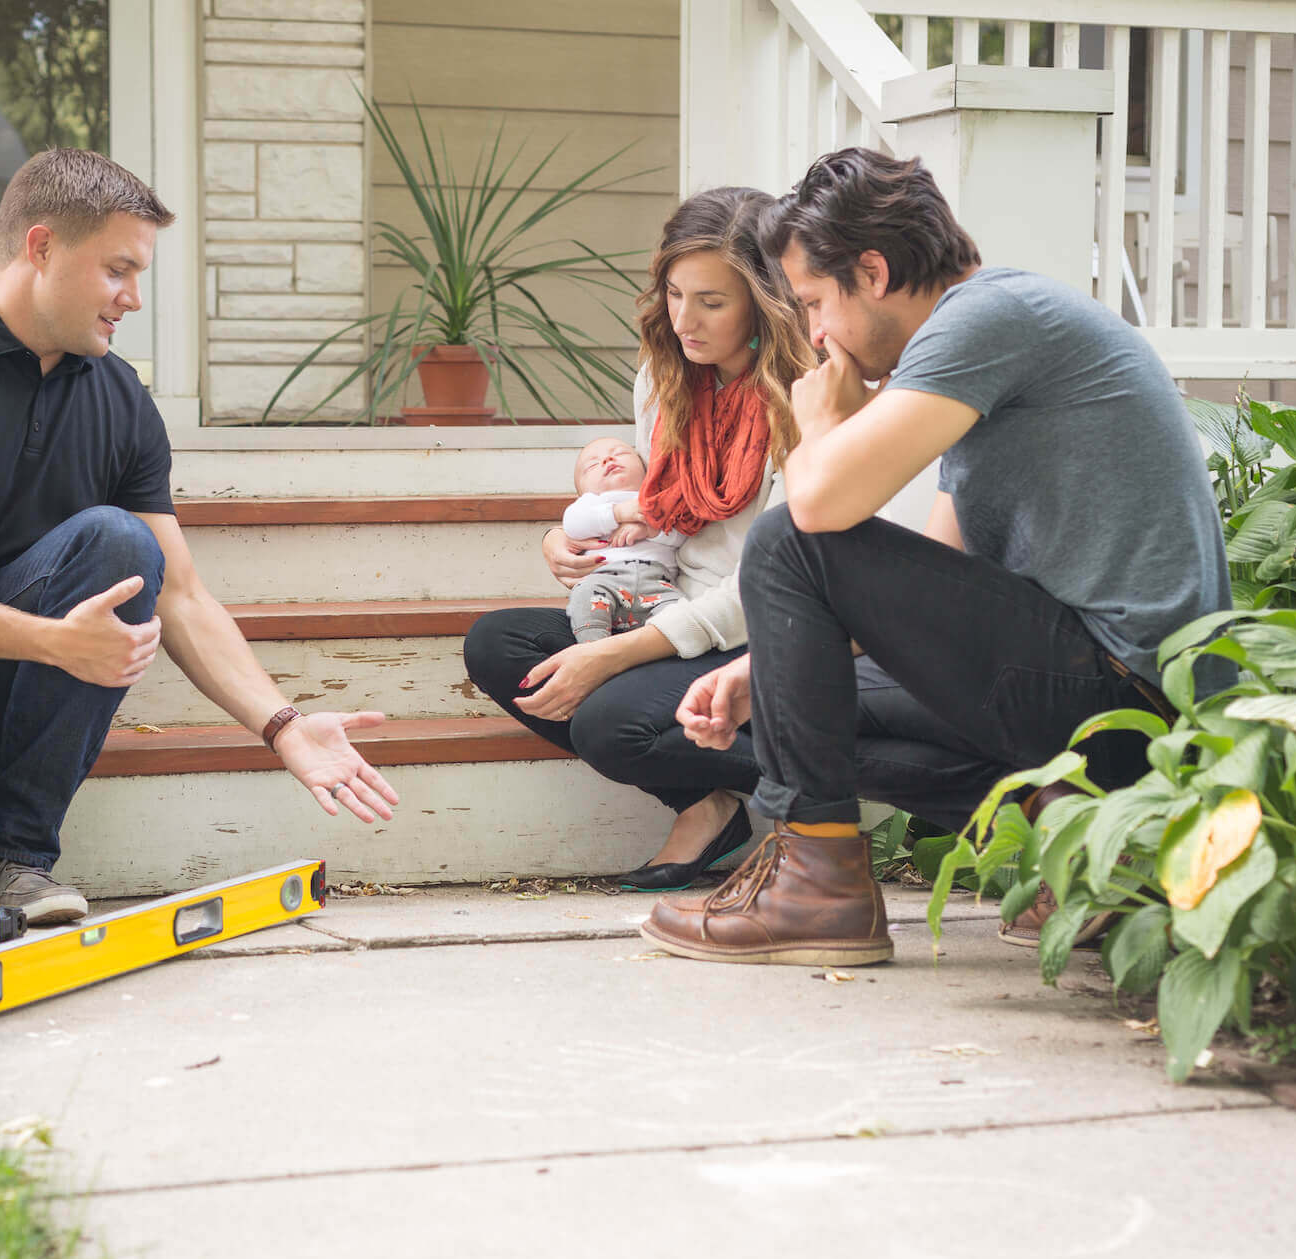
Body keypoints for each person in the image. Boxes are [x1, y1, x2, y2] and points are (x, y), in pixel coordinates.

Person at [0, 148, 399, 988]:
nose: (133, 296)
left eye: (139, 273)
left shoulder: (120, 398)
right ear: (43, 247)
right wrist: (53, 640)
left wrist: (282, 726)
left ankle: (13, 858)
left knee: (122, 545)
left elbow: (181, 592)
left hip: (5, 688)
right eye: (118, 269)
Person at [645, 148, 1231, 965]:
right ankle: (1093, 842)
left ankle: (818, 893)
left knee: (787, 539)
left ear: (874, 271)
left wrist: (824, 422)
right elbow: (928, 575)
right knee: (795, 707)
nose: (815, 335)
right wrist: (760, 672)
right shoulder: (964, 348)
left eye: (816, 302)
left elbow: (817, 511)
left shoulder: (990, 319)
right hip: (1093, 692)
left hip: (1135, 694)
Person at [463, 187, 817, 894]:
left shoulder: (805, 398)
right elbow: (655, 509)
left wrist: (618, 652)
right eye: (675, 293)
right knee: (499, 646)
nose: (684, 320)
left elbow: (771, 582)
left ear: (764, 300)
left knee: (608, 725)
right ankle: (706, 803)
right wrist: (564, 540)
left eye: (712, 302)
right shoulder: (665, 380)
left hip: (759, 628)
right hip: (667, 598)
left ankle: (815, 791)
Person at [561, 437, 686, 643]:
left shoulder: (656, 499)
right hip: (603, 581)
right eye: (592, 464)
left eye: (621, 453)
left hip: (659, 585)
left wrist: (650, 530)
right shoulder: (590, 504)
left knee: (681, 615)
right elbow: (573, 525)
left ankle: (658, 652)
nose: (608, 459)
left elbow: (681, 536)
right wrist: (617, 512)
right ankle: (594, 648)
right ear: (581, 490)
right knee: (584, 598)